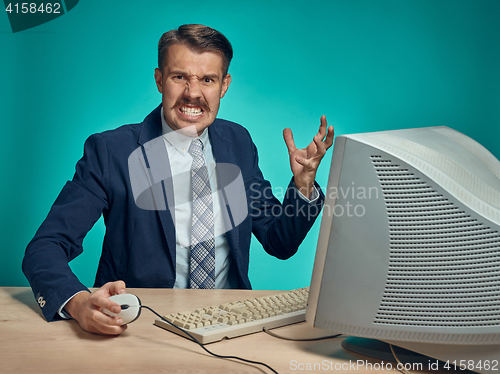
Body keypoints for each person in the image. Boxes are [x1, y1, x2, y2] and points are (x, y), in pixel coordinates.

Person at [22, 24, 334, 335]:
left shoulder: (237, 142)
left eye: (208, 80)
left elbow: (279, 242)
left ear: (224, 85)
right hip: (139, 325)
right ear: (159, 80)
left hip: (230, 324)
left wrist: (304, 183)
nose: (193, 93)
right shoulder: (111, 151)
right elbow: (45, 247)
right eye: (179, 77)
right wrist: (79, 304)